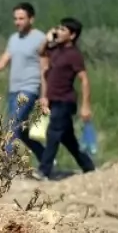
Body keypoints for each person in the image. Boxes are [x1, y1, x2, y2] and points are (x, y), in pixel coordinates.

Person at [0, 2, 46, 162]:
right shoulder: (14, 39)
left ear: (31, 19)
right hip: (14, 89)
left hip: (30, 88)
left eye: (21, 18)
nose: (17, 22)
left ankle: (5, 163)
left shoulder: (40, 38)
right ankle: (46, 157)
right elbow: (3, 62)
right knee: (20, 130)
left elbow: (44, 67)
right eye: (15, 19)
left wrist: (44, 94)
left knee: (12, 126)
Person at [34, 16, 95, 181]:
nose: (58, 32)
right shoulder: (56, 50)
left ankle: (44, 170)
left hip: (65, 100)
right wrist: (47, 40)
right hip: (54, 99)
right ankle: (88, 167)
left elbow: (84, 79)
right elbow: (40, 52)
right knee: (68, 140)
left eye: (62, 30)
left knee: (53, 133)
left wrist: (85, 105)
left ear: (72, 35)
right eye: (58, 28)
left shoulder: (74, 55)